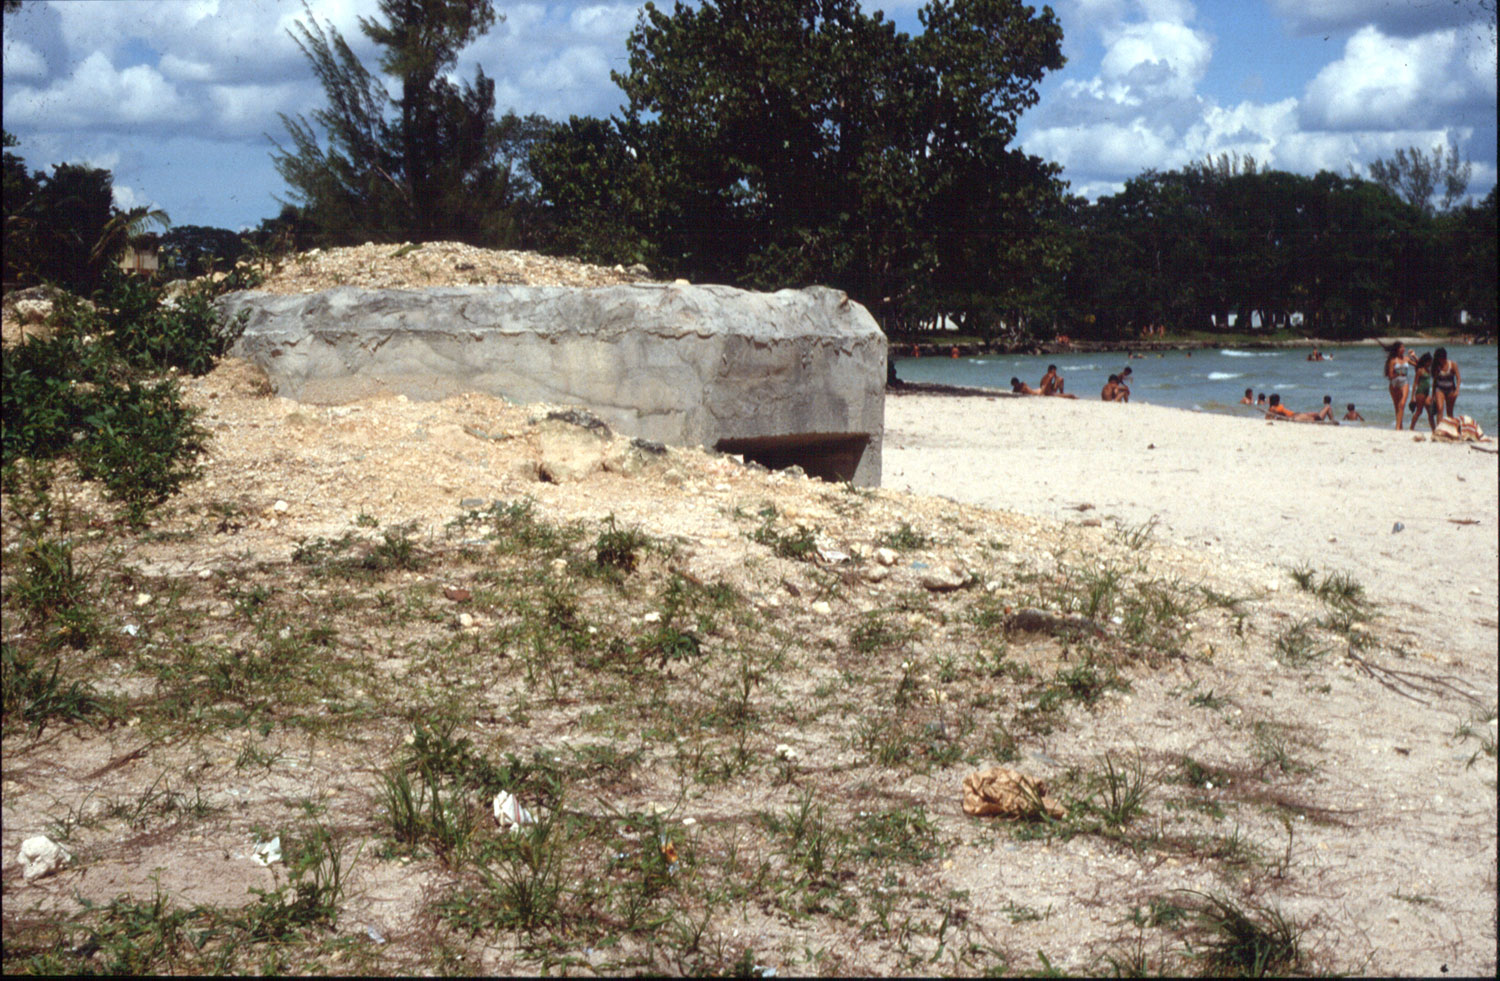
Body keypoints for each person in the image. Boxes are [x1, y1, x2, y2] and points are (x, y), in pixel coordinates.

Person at [1383, 341, 1416, 429]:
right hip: (1394, 383)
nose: (1403, 349)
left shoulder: (1406, 359)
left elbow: (1419, 364)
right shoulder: (1393, 360)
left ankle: (1397, 427)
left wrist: (1414, 356)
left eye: (1404, 347)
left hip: (1404, 382)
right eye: (1401, 347)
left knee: (1402, 404)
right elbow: (1390, 375)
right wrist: (1397, 373)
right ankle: (1400, 425)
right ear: (1397, 350)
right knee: (1397, 406)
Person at [1431, 347, 1461, 419]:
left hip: (1450, 389)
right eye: (1439, 359)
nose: (1441, 360)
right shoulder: (1437, 366)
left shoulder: (1453, 365)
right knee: (1440, 409)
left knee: (1449, 412)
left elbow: (1458, 378)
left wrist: (1457, 390)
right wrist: (1432, 395)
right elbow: (1434, 382)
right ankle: (1439, 428)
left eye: (1442, 358)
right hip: (1440, 389)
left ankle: (1450, 428)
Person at [1407, 353, 1435, 431]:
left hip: (1426, 393)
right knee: (1419, 411)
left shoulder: (1428, 370)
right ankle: (1411, 428)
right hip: (1420, 392)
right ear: (1426, 362)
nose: (1430, 364)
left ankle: (1434, 429)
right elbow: (1415, 384)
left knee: (1430, 412)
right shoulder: (1420, 370)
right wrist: (1412, 397)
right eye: (1429, 362)